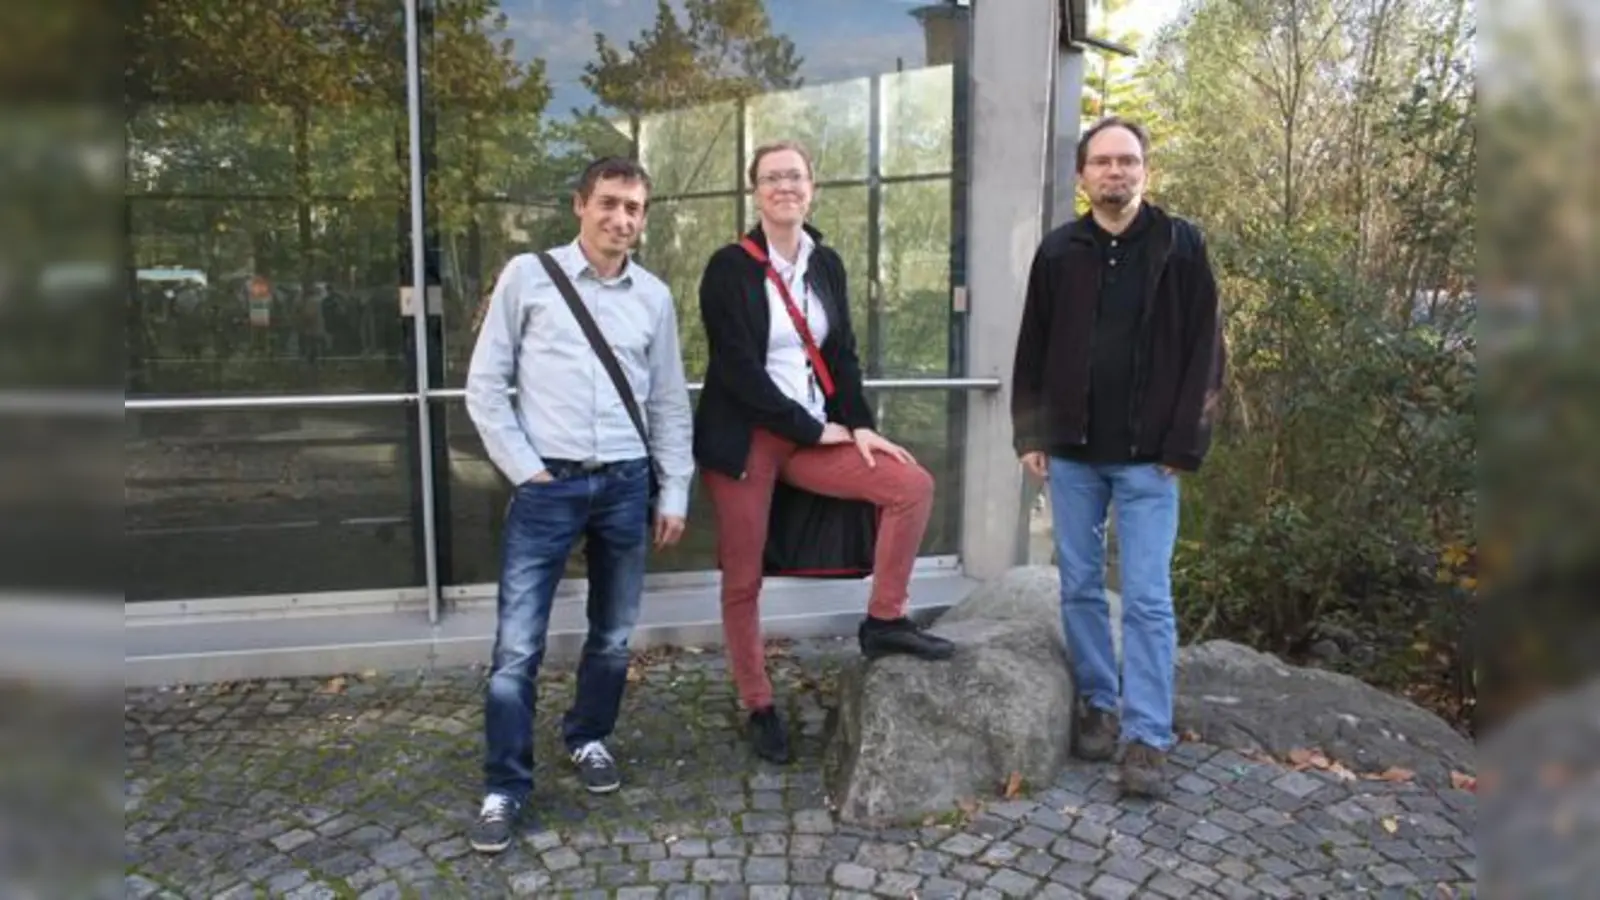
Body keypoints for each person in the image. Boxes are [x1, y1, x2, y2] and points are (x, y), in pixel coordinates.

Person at [694, 139, 957, 764]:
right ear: (755, 190)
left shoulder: (825, 262)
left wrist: (858, 425)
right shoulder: (728, 267)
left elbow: (841, 357)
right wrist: (811, 430)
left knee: (909, 485)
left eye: (795, 175)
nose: (784, 186)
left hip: (814, 432)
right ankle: (758, 702)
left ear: (812, 186)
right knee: (743, 577)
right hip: (747, 438)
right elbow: (735, 369)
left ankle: (884, 621)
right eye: (771, 177)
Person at [463, 156, 694, 852]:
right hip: (548, 486)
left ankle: (589, 736)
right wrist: (526, 471)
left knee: (614, 636)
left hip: (625, 484)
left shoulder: (652, 296)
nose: (622, 218)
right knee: (515, 649)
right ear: (579, 205)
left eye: (634, 208)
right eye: (610, 203)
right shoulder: (527, 278)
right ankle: (505, 785)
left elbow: (668, 400)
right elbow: (485, 385)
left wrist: (673, 486)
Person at [1010, 117, 1226, 798]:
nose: (1116, 172)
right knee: (1076, 585)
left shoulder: (1180, 245)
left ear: (1145, 171)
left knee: (1148, 599)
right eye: (1102, 162)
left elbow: (1206, 351)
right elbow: (1033, 349)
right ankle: (1100, 705)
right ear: (1082, 176)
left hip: (1148, 460)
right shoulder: (1058, 252)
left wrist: (1186, 442)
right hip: (1073, 456)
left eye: (1127, 161)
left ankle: (1147, 737)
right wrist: (1030, 434)